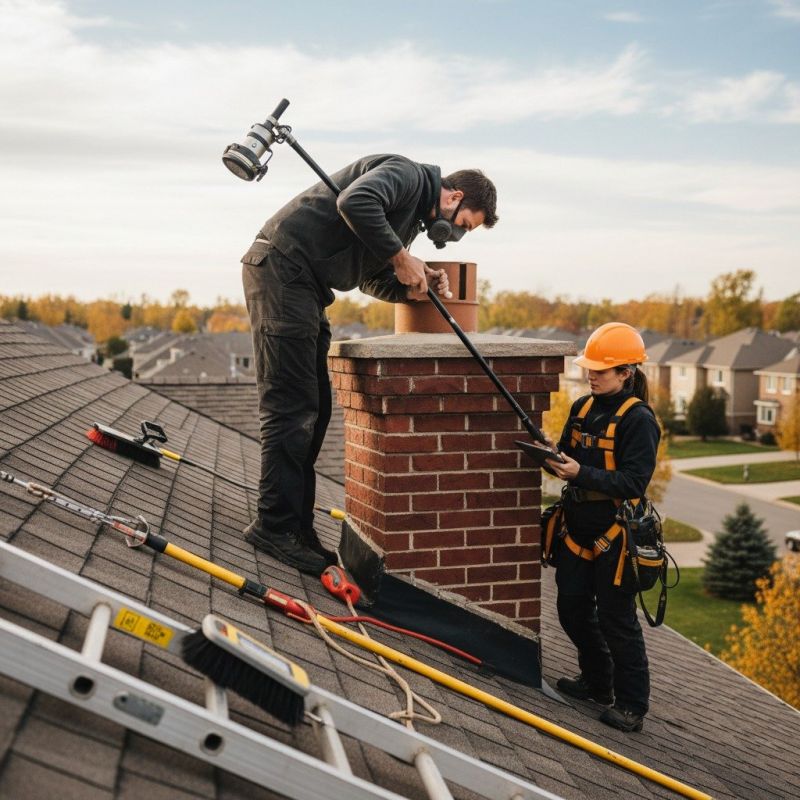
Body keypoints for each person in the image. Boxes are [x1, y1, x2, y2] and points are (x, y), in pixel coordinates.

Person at [240, 154, 498, 576]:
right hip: (281, 270)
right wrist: (401, 257)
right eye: (464, 224)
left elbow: (368, 277)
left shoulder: (409, 220)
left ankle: (297, 528)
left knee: (317, 411)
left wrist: (412, 288)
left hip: (307, 287)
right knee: (292, 409)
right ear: (453, 196)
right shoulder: (407, 175)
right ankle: (273, 526)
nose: (456, 236)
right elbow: (356, 201)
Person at [543, 322, 660, 733]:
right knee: (571, 609)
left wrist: (580, 473)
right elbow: (568, 455)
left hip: (615, 537)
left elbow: (633, 482)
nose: (591, 374)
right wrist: (550, 456)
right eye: (589, 368)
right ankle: (597, 683)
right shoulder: (582, 409)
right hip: (576, 529)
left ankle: (632, 706)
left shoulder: (638, 420)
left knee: (617, 621)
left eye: (601, 370)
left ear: (626, 372)